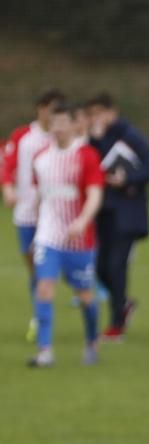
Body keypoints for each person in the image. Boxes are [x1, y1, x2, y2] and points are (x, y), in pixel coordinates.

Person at [27, 103, 104, 368]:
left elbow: (95, 194)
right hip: (48, 237)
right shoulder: (41, 158)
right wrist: (37, 227)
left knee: (85, 297)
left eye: (63, 122)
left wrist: (82, 221)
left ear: (74, 124)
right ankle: (44, 351)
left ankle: (92, 341)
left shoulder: (86, 155)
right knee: (44, 288)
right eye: (54, 122)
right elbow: (41, 196)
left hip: (79, 240)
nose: (58, 127)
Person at [85, 92, 149, 342]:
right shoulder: (94, 139)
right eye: (91, 114)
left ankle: (116, 324)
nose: (95, 119)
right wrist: (95, 141)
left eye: (99, 113)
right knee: (99, 267)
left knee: (116, 266)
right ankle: (124, 304)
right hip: (103, 212)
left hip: (127, 213)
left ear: (111, 112)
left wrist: (127, 179)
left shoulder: (130, 135)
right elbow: (94, 167)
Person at [3, 87, 65, 342]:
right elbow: (7, 165)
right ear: (40, 109)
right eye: (50, 109)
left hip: (53, 214)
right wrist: (8, 189)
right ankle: (40, 310)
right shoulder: (23, 136)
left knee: (43, 267)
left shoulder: (62, 138)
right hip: (26, 212)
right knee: (34, 269)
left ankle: (40, 319)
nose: (53, 115)